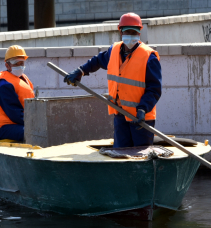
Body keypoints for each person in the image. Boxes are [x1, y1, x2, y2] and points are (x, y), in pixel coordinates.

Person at [64, 13, 161, 148]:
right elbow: (97, 61)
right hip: (120, 114)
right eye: (128, 32)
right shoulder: (113, 51)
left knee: (140, 155)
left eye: (134, 32)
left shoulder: (149, 57)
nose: (131, 35)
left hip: (141, 118)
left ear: (139, 33)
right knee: (120, 153)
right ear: (120, 31)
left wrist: (143, 109)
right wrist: (80, 71)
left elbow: (154, 88)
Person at [0, 45, 35, 142]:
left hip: (19, 123)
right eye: (16, 63)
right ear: (7, 65)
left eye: (22, 63)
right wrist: (33, 123)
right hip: (4, 127)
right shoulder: (3, 84)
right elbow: (14, 113)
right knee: (34, 133)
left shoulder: (23, 78)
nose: (20, 66)